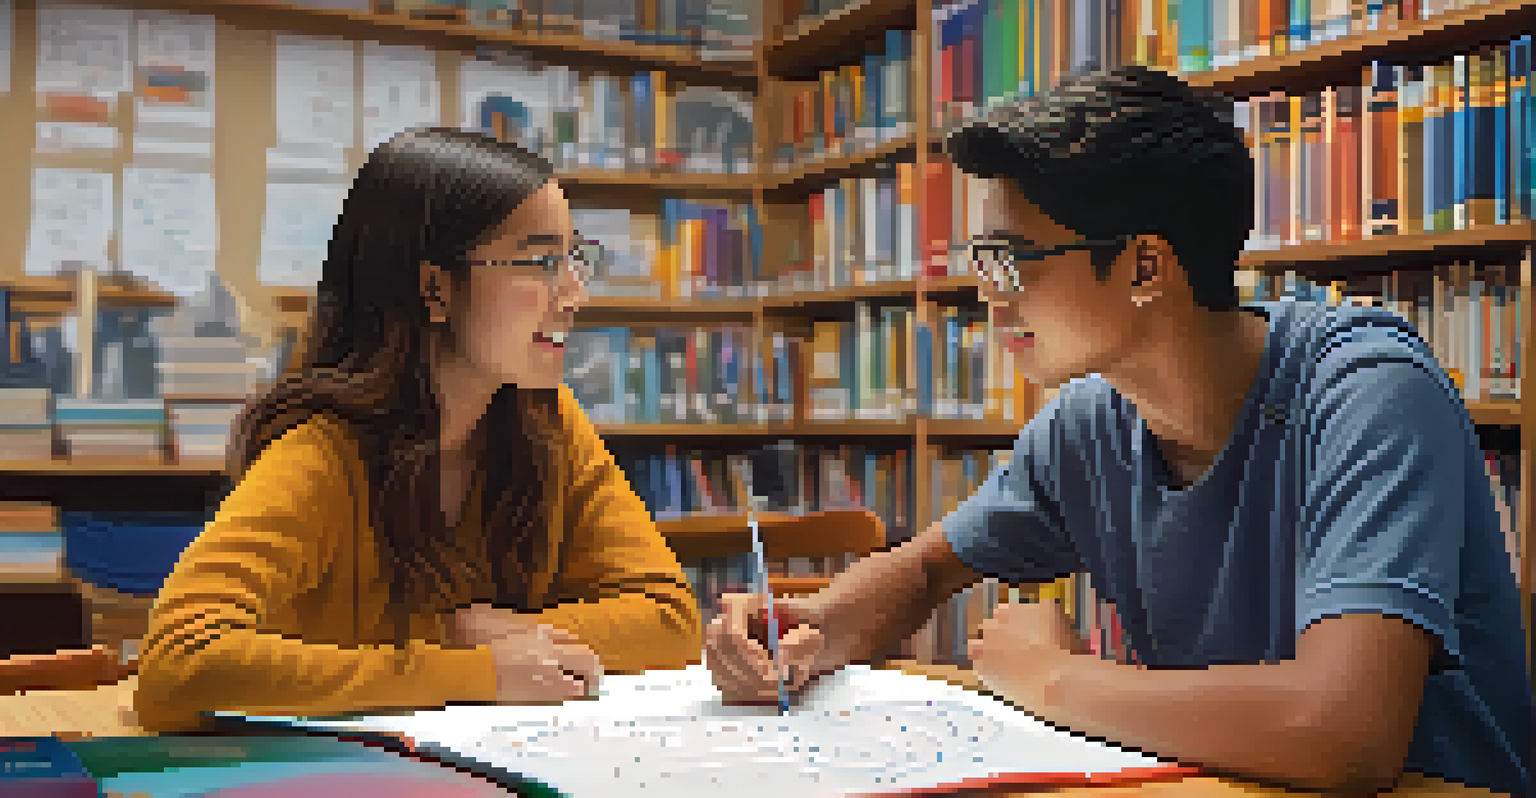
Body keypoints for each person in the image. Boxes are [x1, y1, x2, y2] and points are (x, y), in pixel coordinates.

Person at [705, 66, 1532, 796]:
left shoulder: (1366, 392)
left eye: (1012, 258)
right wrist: (801, 636)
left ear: (1145, 268)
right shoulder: (1089, 423)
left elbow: (1345, 731)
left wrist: (1059, 680)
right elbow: (925, 570)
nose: (988, 294)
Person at [135, 127, 702, 733]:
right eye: (541, 263)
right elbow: (177, 664)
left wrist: (487, 632)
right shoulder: (323, 454)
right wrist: (472, 665)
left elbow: (670, 619)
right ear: (434, 287)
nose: (574, 295)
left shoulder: (548, 421)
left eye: (573, 260)